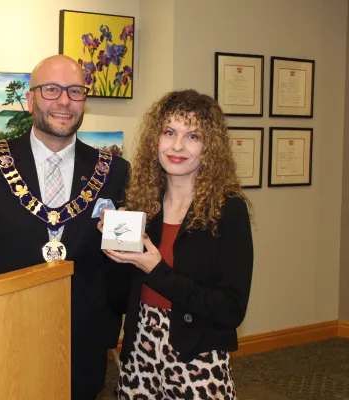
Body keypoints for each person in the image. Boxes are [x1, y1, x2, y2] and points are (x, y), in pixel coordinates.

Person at [0, 54, 130, 400]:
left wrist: (108, 332)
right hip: (2, 338)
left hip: (82, 345)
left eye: (75, 91)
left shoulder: (115, 171)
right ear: (30, 100)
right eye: (51, 90)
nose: (64, 101)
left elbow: (118, 268)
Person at [99, 89, 253, 399]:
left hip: (195, 354)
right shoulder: (141, 203)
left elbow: (231, 309)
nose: (178, 146)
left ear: (209, 146)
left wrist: (157, 271)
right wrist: (113, 254)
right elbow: (119, 300)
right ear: (155, 139)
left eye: (193, 136)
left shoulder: (228, 208)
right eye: (169, 132)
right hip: (139, 350)